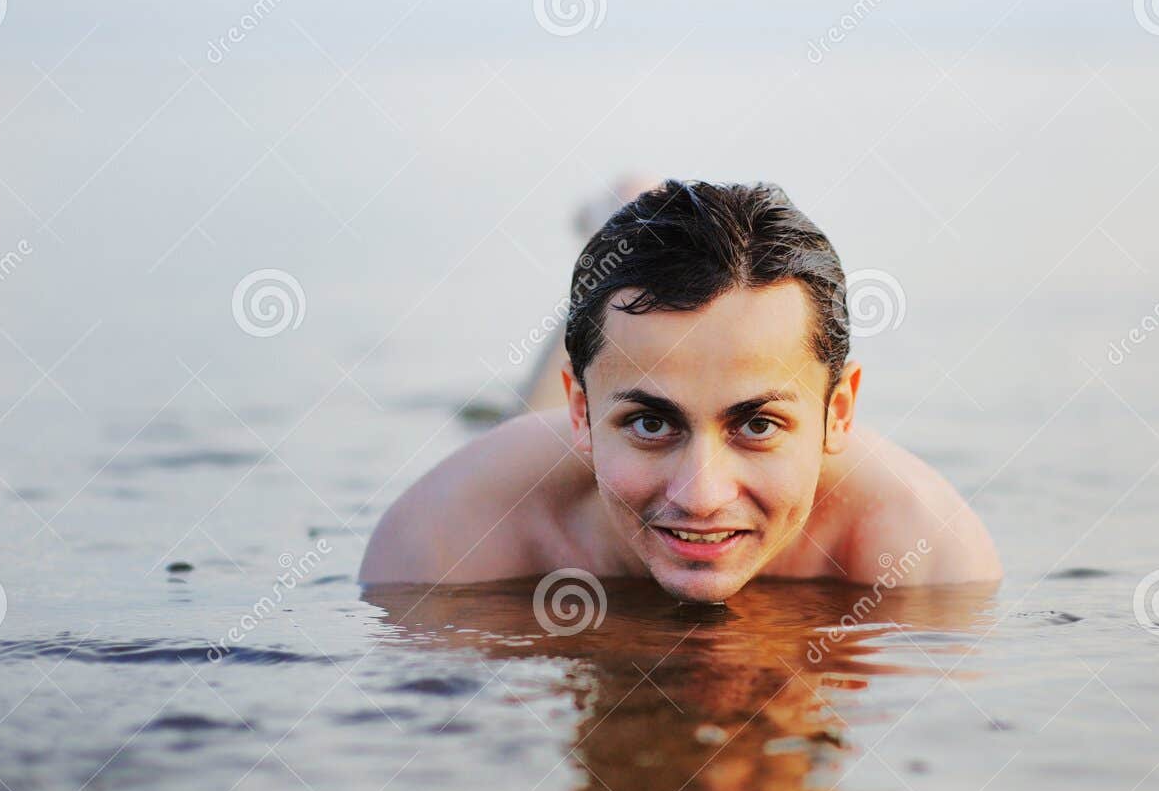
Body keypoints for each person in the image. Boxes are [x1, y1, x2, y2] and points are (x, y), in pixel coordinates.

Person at [360, 178, 1002, 603]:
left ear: (839, 414)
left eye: (757, 425)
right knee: (534, 411)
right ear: (581, 415)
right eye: (650, 424)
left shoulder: (927, 556)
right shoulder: (446, 540)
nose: (700, 497)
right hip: (547, 450)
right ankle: (624, 220)